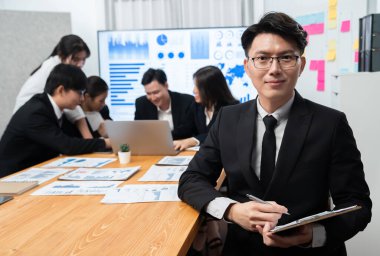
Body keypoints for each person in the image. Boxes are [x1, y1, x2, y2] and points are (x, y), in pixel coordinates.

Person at [178, 12, 372, 255]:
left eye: (286, 58)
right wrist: (231, 210)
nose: (274, 69)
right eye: (262, 58)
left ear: (301, 65)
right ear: (247, 67)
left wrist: (314, 234)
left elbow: (358, 205)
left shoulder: (330, 123)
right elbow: (191, 180)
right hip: (243, 248)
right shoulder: (228, 118)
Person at [0, 64, 111, 178]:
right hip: (11, 179)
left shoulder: (56, 109)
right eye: (79, 93)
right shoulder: (36, 112)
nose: (82, 99)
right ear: (61, 90)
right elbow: (67, 145)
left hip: (34, 173)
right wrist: (107, 142)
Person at [13, 34, 93, 139]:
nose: (80, 64)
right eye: (76, 59)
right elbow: (71, 106)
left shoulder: (59, 65)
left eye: (83, 60)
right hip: (29, 117)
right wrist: (89, 139)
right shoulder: (55, 69)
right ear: (63, 55)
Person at [173, 65, 239, 151]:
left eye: (198, 87)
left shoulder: (231, 108)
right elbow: (186, 129)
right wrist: (165, 138)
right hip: (202, 157)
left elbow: (218, 135)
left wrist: (192, 141)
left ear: (211, 89)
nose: (194, 91)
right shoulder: (196, 106)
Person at [134, 68, 195, 140]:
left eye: (156, 92)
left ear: (166, 86)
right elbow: (138, 132)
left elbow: (190, 131)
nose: (153, 98)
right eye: (148, 93)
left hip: (182, 147)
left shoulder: (187, 101)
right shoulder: (141, 104)